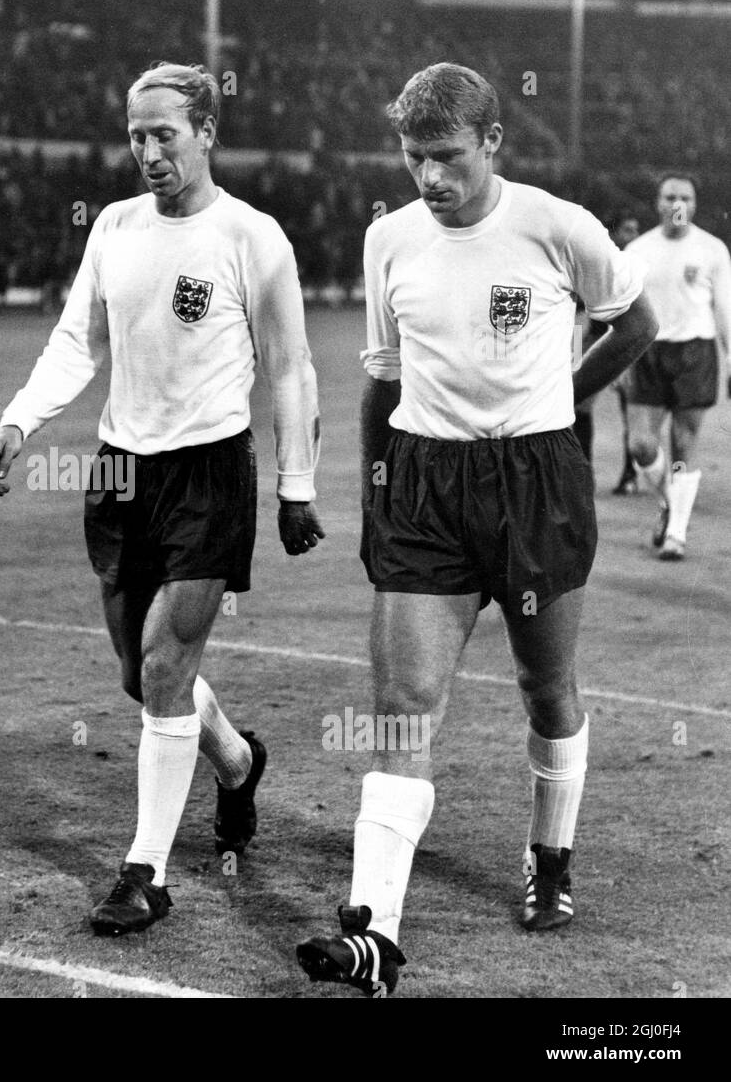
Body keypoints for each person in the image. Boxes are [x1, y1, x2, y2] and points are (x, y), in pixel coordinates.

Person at [296, 63, 657, 996]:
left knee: (547, 685)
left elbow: (637, 322)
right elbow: (382, 376)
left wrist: (561, 397)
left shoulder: (556, 225)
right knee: (403, 705)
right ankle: (373, 932)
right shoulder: (388, 239)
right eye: (414, 158)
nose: (429, 178)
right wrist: (377, 483)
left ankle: (552, 854)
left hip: (535, 481)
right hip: (424, 483)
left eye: (447, 157)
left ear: (493, 142)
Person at [0, 62, 323, 936]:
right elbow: (75, 340)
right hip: (120, 474)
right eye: (136, 135)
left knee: (168, 668)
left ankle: (146, 873)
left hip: (209, 475)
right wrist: (20, 422)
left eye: (164, 133)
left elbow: (291, 366)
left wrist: (295, 485)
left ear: (206, 131)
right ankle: (238, 762)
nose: (148, 151)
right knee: (142, 676)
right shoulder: (116, 229)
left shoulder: (253, 238)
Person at [623, 174, 731, 560]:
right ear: (658, 202)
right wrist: (618, 359)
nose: (677, 203)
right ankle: (670, 502)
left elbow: (723, 307)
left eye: (685, 197)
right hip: (648, 353)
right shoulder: (637, 250)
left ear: (695, 204)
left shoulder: (712, 249)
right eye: (670, 196)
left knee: (684, 447)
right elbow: (623, 312)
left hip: (695, 354)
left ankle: (677, 534)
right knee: (641, 445)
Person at [573, 212, 642, 494]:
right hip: (596, 340)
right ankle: (584, 472)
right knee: (580, 406)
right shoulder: (596, 262)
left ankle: (630, 473)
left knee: (632, 408)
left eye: (636, 229)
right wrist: (576, 357)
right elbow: (577, 313)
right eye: (627, 229)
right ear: (612, 233)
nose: (633, 236)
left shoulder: (638, 263)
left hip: (626, 345)